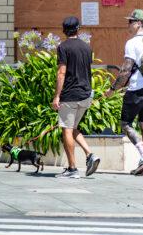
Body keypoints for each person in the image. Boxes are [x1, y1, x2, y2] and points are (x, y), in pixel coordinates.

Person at [106, 9, 143, 175]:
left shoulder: (132, 43)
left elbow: (126, 70)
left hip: (137, 88)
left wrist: (113, 89)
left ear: (139, 24)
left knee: (125, 124)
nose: (128, 24)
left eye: (131, 21)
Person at [52, 16, 100, 179]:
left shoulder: (63, 47)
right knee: (72, 128)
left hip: (70, 95)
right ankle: (90, 154)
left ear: (64, 30)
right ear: (78, 29)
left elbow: (61, 72)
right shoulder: (87, 48)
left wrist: (57, 96)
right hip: (85, 95)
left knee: (66, 130)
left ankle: (72, 169)